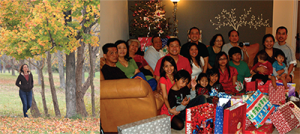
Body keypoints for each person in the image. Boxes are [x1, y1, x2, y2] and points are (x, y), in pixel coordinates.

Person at [158, 56, 180, 128]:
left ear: (174, 66)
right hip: (168, 107)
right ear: (163, 68)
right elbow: (165, 97)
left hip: (178, 104)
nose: (169, 68)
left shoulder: (176, 77)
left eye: (171, 65)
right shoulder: (163, 79)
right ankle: (165, 123)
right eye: (166, 66)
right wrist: (170, 109)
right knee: (180, 125)